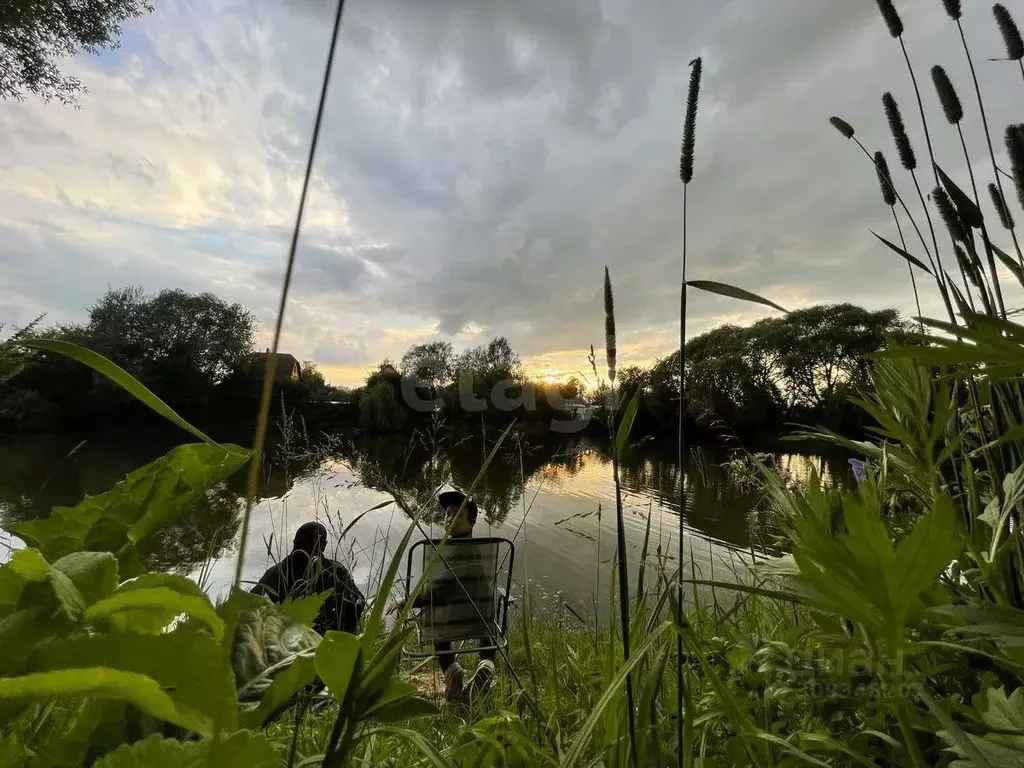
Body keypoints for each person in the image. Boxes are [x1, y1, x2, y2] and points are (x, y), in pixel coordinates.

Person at [411, 490, 496, 702]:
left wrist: (412, 601)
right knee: (486, 607)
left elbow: (441, 591)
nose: (449, 519)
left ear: (472, 520)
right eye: (447, 514)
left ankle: (451, 668)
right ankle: (487, 664)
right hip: (479, 618)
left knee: (435, 610)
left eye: (457, 515)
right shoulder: (479, 549)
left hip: (448, 622)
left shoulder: (447, 552)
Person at [252, 521, 365, 636]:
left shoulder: (276, 572)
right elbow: (358, 602)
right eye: (302, 544)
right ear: (324, 546)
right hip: (301, 639)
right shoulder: (335, 570)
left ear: (294, 542)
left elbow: (252, 605)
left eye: (309, 545)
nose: (305, 551)